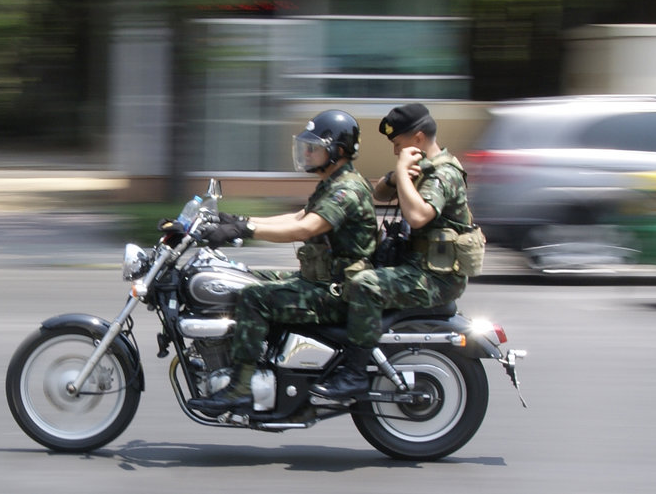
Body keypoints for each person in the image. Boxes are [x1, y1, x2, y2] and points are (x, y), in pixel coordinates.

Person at [187, 110, 378, 414]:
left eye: (314, 146)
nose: (307, 152)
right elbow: (297, 217)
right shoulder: (333, 183)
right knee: (245, 277)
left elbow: (306, 228)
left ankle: (239, 389)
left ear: (337, 151)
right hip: (320, 280)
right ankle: (259, 359)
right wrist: (236, 221)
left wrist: (245, 230)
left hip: (336, 291)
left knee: (254, 298)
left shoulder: (347, 189)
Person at [309, 102, 474, 400]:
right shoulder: (423, 169)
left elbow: (418, 216)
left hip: (437, 279)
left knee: (365, 286)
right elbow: (378, 194)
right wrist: (396, 177)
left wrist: (401, 170)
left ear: (419, 139)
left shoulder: (443, 174)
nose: (396, 152)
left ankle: (354, 375)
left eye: (398, 145)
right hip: (418, 268)